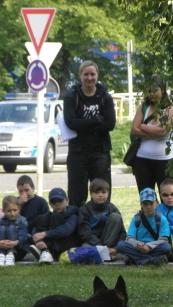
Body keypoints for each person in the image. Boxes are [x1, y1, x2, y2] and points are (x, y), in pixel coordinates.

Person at [63, 60, 116, 207]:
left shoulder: (105, 97)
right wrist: (96, 121)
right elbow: (70, 123)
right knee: (76, 194)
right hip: (77, 153)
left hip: (100, 152)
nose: (89, 78)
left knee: (101, 192)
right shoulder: (71, 96)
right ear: (80, 75)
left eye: (92, 74)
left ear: (97, 75)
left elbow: (110, 124)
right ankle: (77, 227)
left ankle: (101, 225)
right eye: (86, 74)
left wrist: (83, 124)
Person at [131, 75, 173, 195]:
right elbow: (134, 130)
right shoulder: (144, 107)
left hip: (165, 161)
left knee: (168, 199)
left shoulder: (170, 108)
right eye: (148, 91)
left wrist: (143, 127)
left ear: (162, 90)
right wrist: (155, 133)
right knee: (146, 198)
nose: (151, 94)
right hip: (142, 160)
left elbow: (164, 132)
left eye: (154, 90)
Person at [116, 188, 172, 266]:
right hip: (138, 248)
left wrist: (149, 246)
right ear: (141, 204)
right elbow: (130, 238)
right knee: (121, 245)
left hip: (154, 247)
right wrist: (138, 244)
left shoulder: (162, 219)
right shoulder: (136, 219)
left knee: (166, 247)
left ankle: (136, 259)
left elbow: (163, 239)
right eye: (145, 204)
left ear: (157, 203)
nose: (148, 207)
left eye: (151, 203)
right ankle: (151, 260)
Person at [77, 178, 126, 259]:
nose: (100, 195)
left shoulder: (112, 208)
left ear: (108, 193)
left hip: (110, 243)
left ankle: (109, 253)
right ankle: (107, 255)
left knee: (115, 217)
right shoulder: (84, 209)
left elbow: (122, 232)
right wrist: (99, 246)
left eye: (103, 192)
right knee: (84, 249)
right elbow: (84, 233)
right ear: (91, 194)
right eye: (97, 192)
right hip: (93, 243)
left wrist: (116, 248)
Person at [28, 187, 79, 264]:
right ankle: (45, 251)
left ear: (67, 201)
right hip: (53, 243)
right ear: (50, 204)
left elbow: (67, 230)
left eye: (60, 201)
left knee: (56, 216)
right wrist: (39, 240)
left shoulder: (73, 215)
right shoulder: (49, 215)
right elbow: (35, 232)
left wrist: (45, 234)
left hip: (68, 244)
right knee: (40, 218)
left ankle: (48, 252)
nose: (57, 204)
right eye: (54, 202)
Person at [17, 174, 49, 259]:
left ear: (33, 188)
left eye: (27, 190)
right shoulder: (16, 202)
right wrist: (19, 205)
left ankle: (39, 249)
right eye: (21, 191)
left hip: (36, 232)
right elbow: (12, 218)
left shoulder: (41, 202)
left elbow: (46, 218)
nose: (24, 193)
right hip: (21, 233)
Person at [0, 195, 28, 267]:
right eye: (9, 211)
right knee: (2, 228)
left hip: (17, 250)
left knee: (11, 228)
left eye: (15, 210)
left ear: (19, 209)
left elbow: (23, 237)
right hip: (2, 248)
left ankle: (10, 254)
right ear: (3, 211)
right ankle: (0, 255)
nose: (12, 213)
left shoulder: (22, 221)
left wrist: (14, 243)